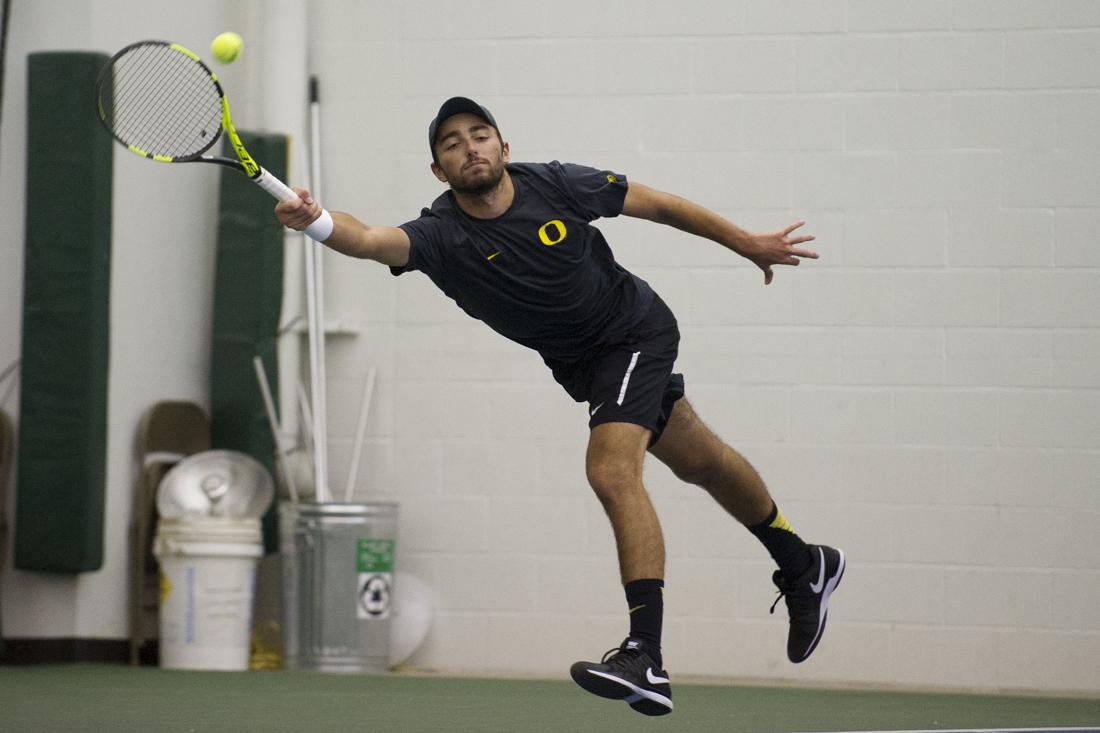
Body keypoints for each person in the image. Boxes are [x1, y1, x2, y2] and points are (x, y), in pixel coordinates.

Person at [276, 97, 845, 717]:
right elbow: (367, 238)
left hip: (633, 333)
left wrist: (744, 242)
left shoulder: (554, 183)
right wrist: (316, 219)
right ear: (439, 171)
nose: (470, 147)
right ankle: (803, 560)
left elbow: (655, 203)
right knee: (700, 461)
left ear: (504, 149)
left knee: (610, 469)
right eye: (451, 143)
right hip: (580, 366)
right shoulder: (441, 236)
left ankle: (644, 655)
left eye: (481, 134)